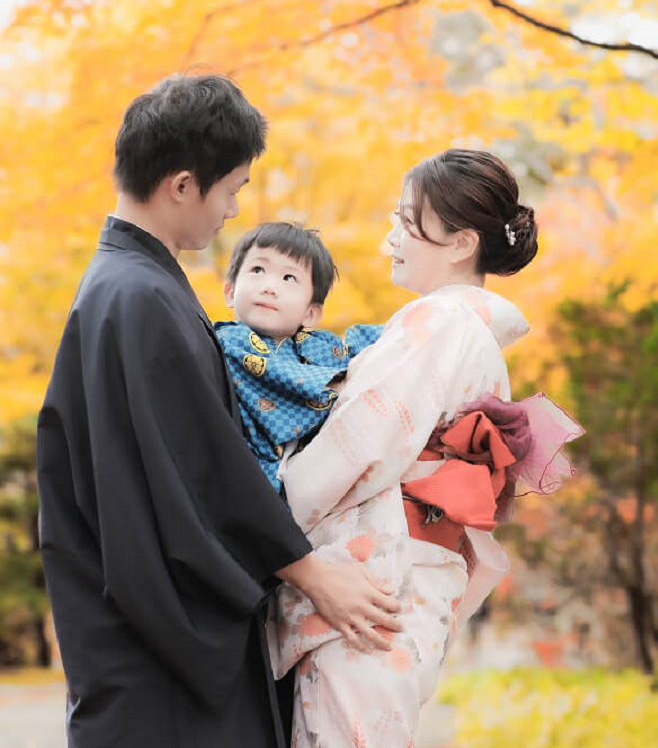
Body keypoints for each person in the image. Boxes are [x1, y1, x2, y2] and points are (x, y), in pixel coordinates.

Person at [36, 74, 400, 748]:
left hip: (136, 640)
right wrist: (314, 575)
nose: (233, 211)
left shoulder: (126, 286)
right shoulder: (139, 298)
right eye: (230, 190)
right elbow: (205, 468)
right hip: (159, 661)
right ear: (181, 185)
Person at [270, 149, 583, 746]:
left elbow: (357, 447)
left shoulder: (438, 323)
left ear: (461, 242)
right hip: (412, 578)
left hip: (374, 584)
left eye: (405, 222)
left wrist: (262, 522)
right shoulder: (473, 335)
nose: (390, 237)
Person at [214, 221, 383, 491]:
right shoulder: (227, 340)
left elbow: (359, 347)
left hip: (312, 485)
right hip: (250, 479)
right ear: (231, 292)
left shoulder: (313, 345)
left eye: (288, 278)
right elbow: (277, 376)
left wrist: (411, 327)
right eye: (258, 270)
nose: (269, 286)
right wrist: (343, 382)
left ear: (311, 313)